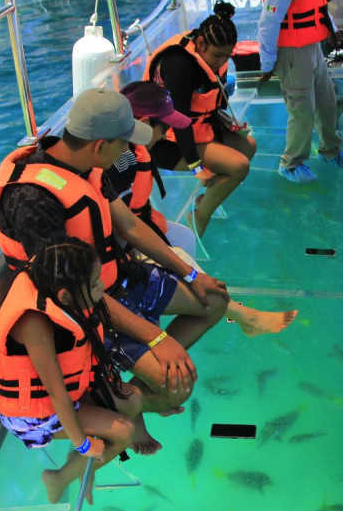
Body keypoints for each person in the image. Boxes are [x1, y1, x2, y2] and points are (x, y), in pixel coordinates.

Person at [0, 88, 230, 434]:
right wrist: (156, 338)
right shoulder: (31, 199)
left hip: (117, 279)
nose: (130, 151)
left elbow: (130, 225)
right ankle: (127, 400)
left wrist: (192, 275)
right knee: (176, 385)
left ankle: (129, 389)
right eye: (124, 144)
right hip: (88, 306)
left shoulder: (85, 165)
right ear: (99, 145)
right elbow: (75, 292)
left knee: (215, 301)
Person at [109, 81, 299, 336]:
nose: (166, 134)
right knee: (180, 256)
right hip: (116, 243)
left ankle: (185, 301)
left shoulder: (135, 148)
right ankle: (238, 315)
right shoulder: (118, 157)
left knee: (185, 237)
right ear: (142, 123)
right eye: (163, 126)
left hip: (134, 225)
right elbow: (122, 225)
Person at [0, 239, 148, 503]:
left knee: (132, 401)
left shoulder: (56, 289)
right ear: (65, 296)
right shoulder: (34, 323)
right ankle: (60, 477)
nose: (102, 287)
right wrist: (83, 445)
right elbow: (57, 393)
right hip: (31, 418)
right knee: (124, 432)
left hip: (61, 397)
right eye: (95, 284)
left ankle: (83, 464)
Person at [145, 1, 256, 237]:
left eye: (226, 56)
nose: (220, 62)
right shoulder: (179, 64)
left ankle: (207, 199)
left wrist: (229, 125)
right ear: (201, 43)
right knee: (238, 166)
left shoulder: (214, 55)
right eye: (217, 56)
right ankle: (199, 216)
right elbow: (178, 118)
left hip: (198, 130)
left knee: (249, 146)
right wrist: (197, 167)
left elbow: (214, 103)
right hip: (166, 142)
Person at [257, 0, 343, 184]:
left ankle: (330, 150)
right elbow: (268, 24)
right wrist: (267, 64)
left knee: (326, 101)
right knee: (302, 110)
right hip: (292, 53)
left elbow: (319, 3)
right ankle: (291, 163)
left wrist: (332, 31)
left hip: (313, 48)